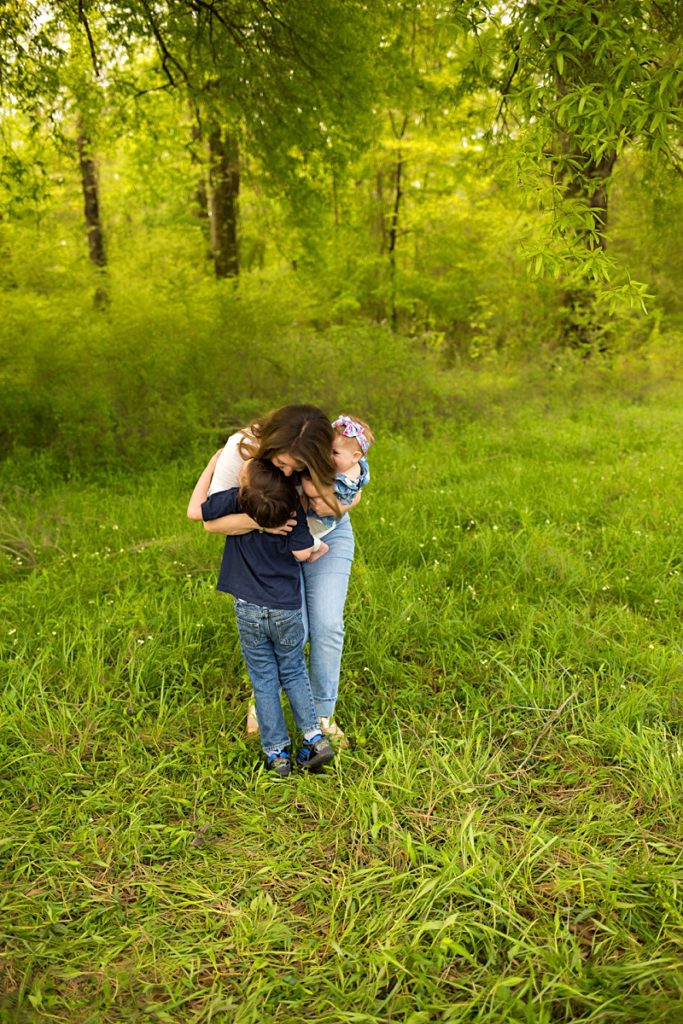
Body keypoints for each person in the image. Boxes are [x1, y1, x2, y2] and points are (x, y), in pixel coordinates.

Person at [203, 405, 360, 744]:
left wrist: (344, 504)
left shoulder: (330, 448)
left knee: (328, 626)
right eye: (281, 462)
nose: (289, 471)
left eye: (298, 467)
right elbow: (210, 521)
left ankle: (322, 716)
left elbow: (356, 482)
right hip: (271, 548)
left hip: (326, 537)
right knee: (291, 630)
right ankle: (265, 702)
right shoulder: (239, 451)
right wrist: (262, 521)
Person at [187, 451, 334, 777]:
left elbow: (195, 511)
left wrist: (211, 464)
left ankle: (277, 754)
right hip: (286, 608)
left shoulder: (237, 500)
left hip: (248, 608)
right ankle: (314, 738)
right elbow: (300, 550)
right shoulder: (290, 504)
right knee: (294, 671)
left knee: (264, 679)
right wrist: (316, 549)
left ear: (244, 484)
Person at [306, 415, 374, 537]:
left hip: (317, 523)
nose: (327, 455)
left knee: (298, 534)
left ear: (356, 456)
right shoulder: (358, 464)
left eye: (335, 452)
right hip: (319, 513)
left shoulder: (343, 481)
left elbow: (311, 490)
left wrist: (307, 470)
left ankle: (315, 547)